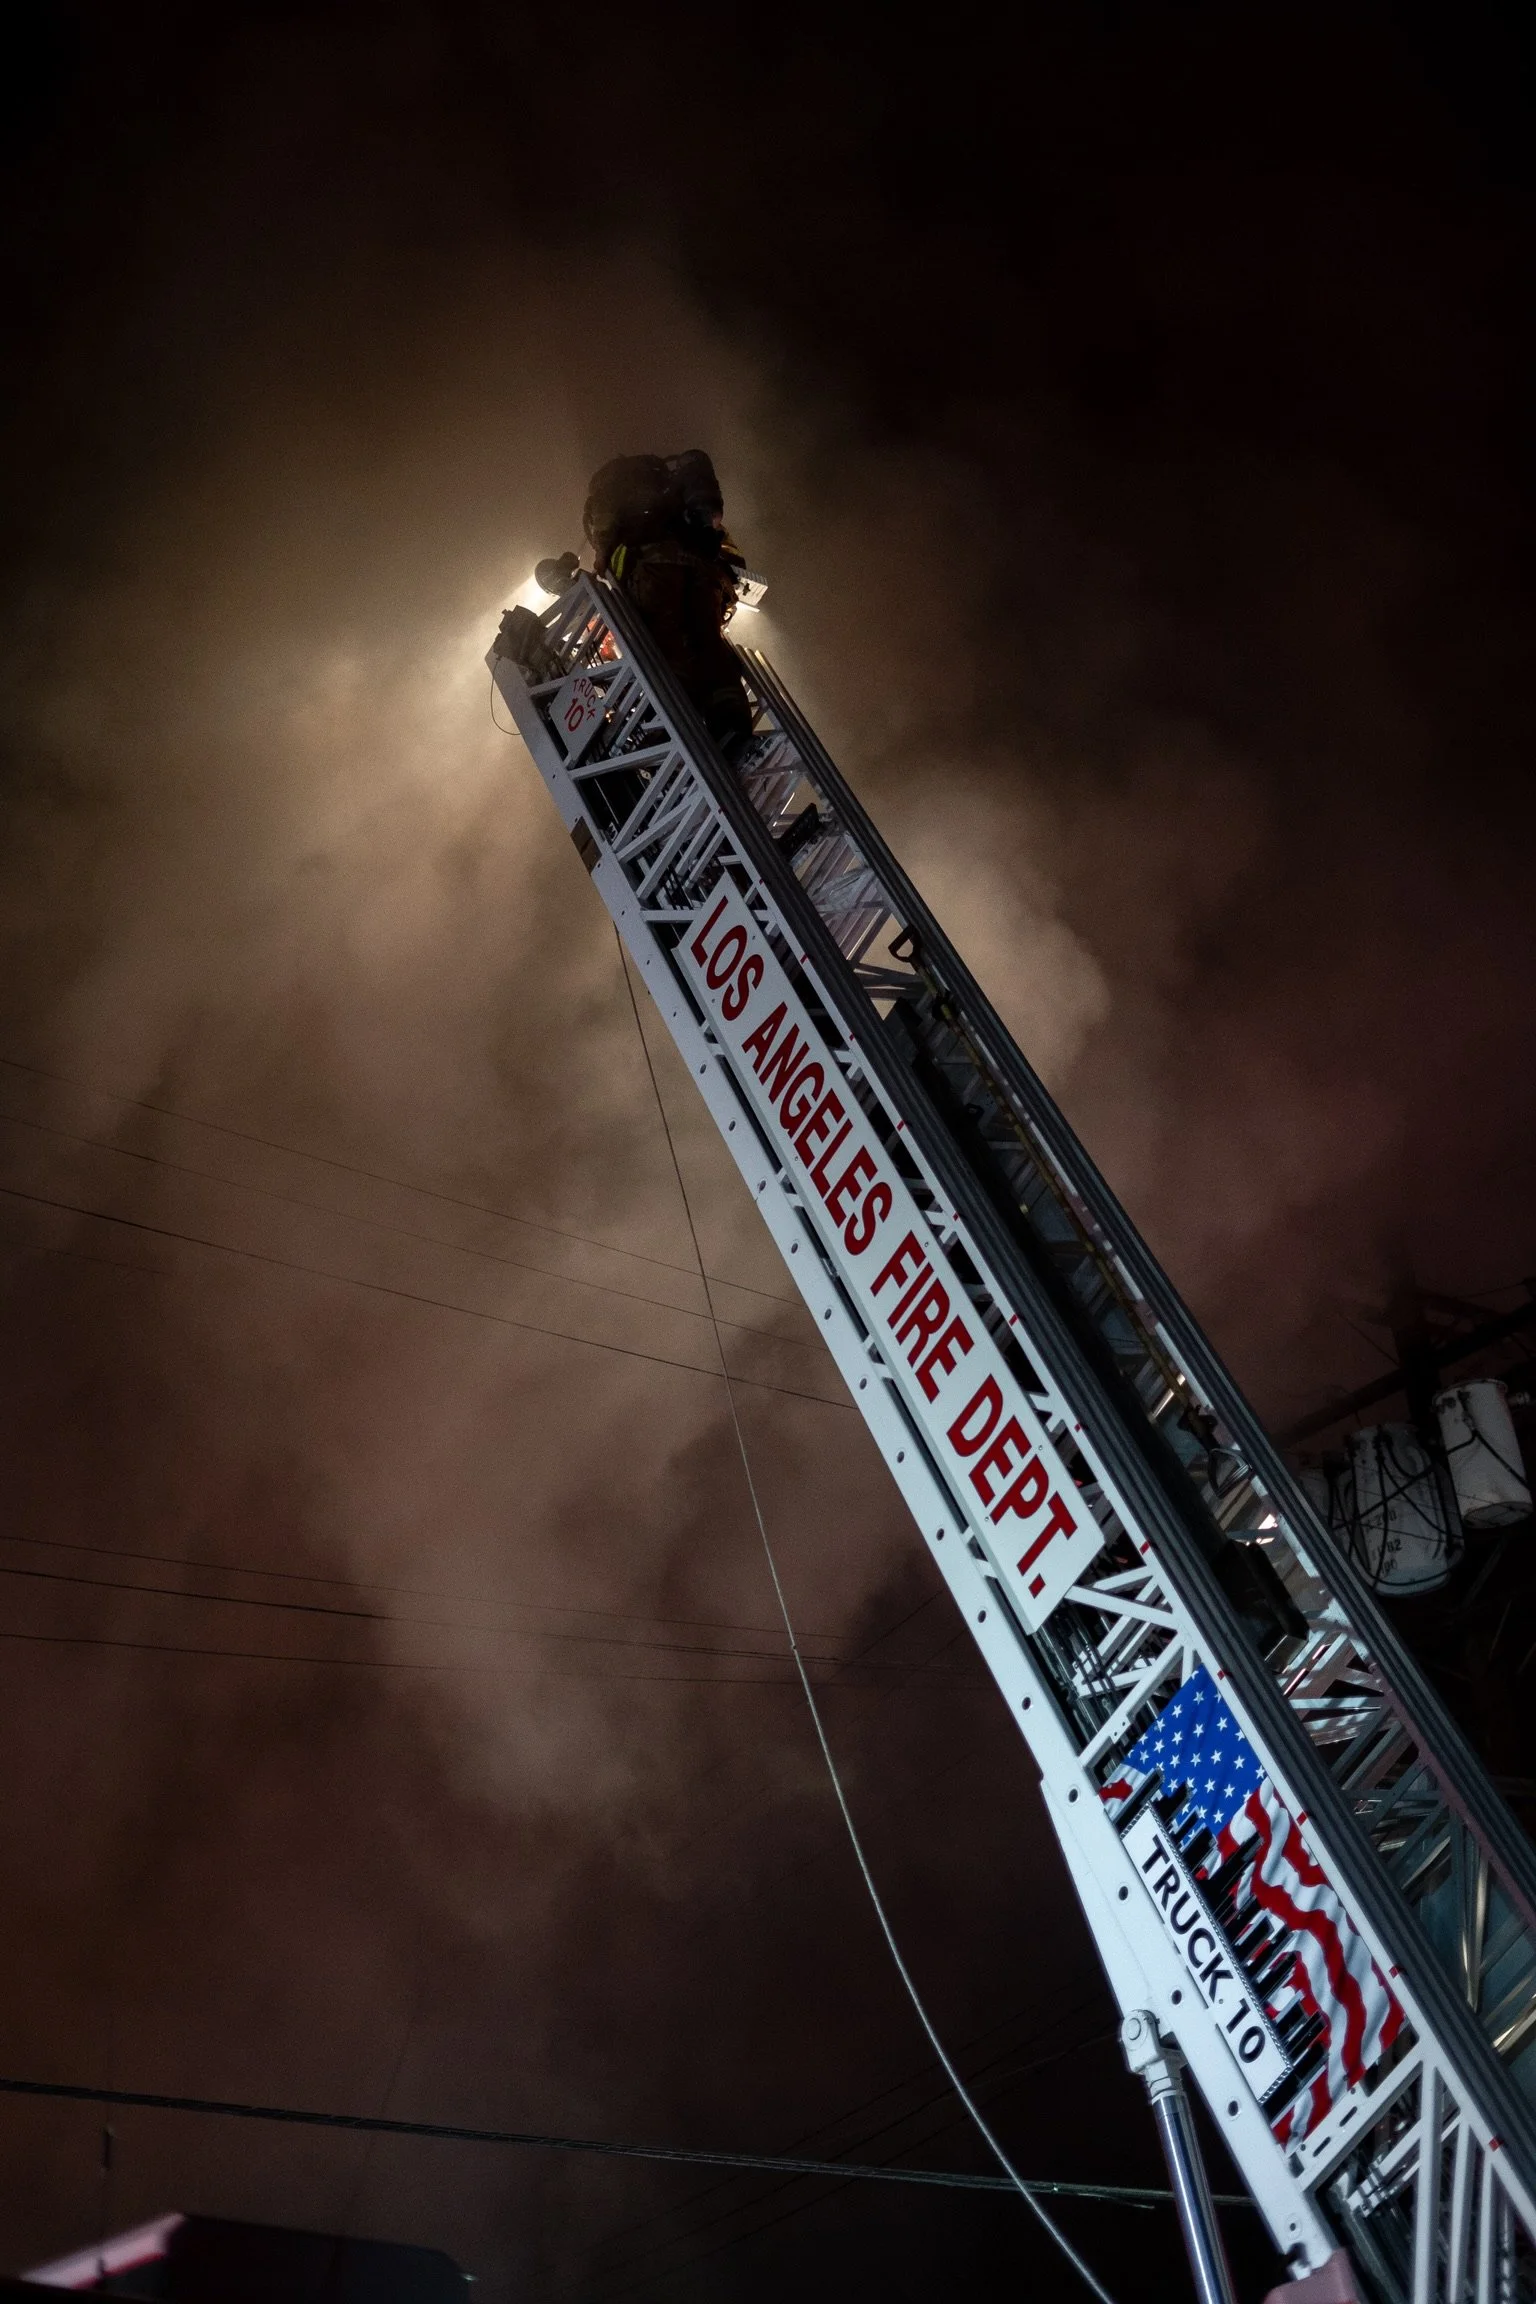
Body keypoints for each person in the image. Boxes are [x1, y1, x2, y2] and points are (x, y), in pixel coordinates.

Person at [582, 450, 754, 749]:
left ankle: (673, 728)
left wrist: (601, 563)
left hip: (654, 568)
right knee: (708, 643)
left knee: (667, 647)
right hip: (703, 573)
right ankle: (732, 723)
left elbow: (605, 532)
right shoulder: (671, 492)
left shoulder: (607, 494)